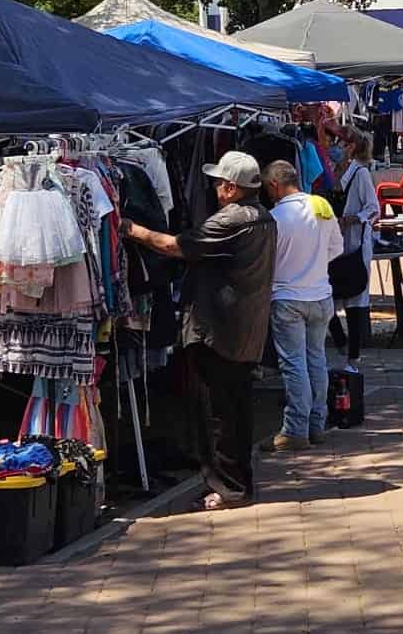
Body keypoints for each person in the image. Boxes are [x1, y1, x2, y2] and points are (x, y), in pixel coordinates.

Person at [123, 151, 276, 510]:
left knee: (216, 415)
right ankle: (238, 484)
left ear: (230, 187)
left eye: (219, 182)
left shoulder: (232, 219)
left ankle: (228, 489)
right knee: (236, 412)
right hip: (245, 330)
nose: (215, 188)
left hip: (218, 332)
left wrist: (130, 229)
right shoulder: (264, 217)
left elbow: (176, 246)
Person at [260, 160, 342, 453]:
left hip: (288, 299)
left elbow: (265, 262)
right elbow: (337, 248)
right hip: (320, 296)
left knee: (294, 365)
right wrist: (314, 265)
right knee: (316, 360)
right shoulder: (321, 206)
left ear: (274, 185)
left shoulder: (273, 218)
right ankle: (317, 425)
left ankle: (296, 430)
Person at [329, 128, 380, 366]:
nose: (334, 147)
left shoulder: (360, 174)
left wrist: (352, 219)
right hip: (332, 245)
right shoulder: (330, 171)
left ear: (349, 147)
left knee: (355, 296)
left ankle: (354, 354)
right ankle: (340, 340)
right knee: (327, 296)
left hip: (355, 243)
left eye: (338, 142)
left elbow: (373, 208)